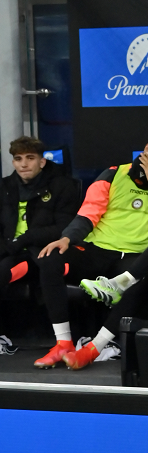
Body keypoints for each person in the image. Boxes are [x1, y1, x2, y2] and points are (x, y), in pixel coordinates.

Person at [34, 138, 148, 370]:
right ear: (144, 149)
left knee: (143, 279)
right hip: (97, 250)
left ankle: (94, 348)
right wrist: (67, 238)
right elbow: (89, 212)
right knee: (50, 258)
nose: (146, 167)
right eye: (146, 159)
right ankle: (63, 343)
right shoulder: (112, 174)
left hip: (134, 257)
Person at [0, 138, 81, 342]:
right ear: (13, 162)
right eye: (18, 159)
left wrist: (26, 238)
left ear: (42, 162)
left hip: (41, 251)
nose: (23, 164)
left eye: (30, 158)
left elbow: (64, 227)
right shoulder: (5, 186)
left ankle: (61, 340)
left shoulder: (62, 186)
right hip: (11, 250)